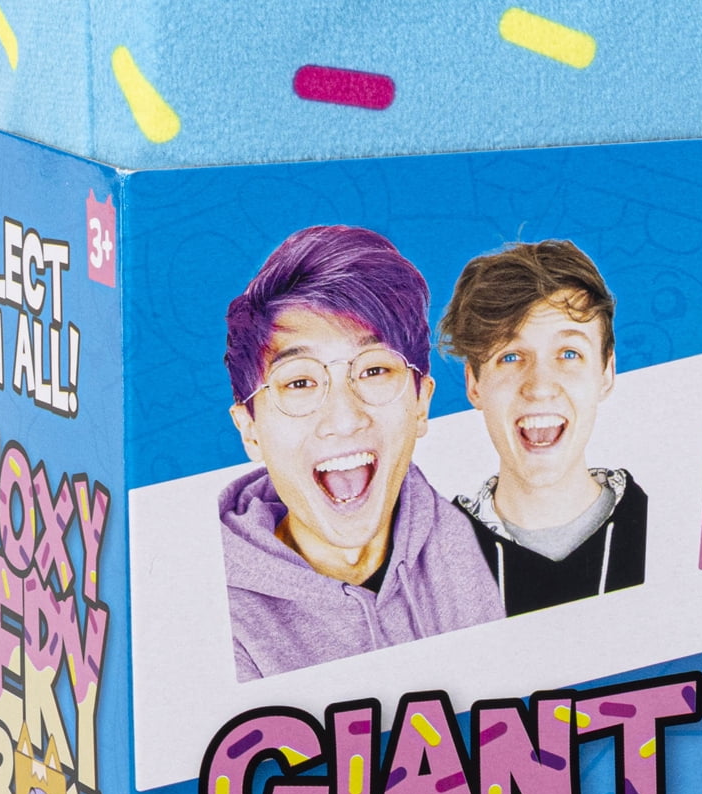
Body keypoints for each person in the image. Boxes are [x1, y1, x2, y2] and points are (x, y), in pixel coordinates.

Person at [219, 225, 502, 678]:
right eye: (299, 382)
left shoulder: (485, 546)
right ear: (250, 430)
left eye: (373, 370)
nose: (345, 418)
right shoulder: (214, 624)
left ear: (421, 403)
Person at [440, 240, 648, 612]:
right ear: (474, 384)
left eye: (569, 354)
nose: (539, 386)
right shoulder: (431, 565)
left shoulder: (670, 527)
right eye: (510, 356)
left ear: (606, 373)